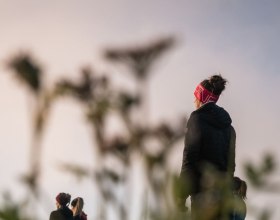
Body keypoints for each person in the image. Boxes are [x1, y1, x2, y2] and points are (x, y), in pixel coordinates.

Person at [177, 75, 236, 220]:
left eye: (195, 96)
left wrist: (181, 194)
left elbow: (189, 159)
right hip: (223, 196)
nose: (193, 100)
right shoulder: (229, 128)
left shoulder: (197, 120)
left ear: (201, 97)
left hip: (202, 197)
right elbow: (231, 165)